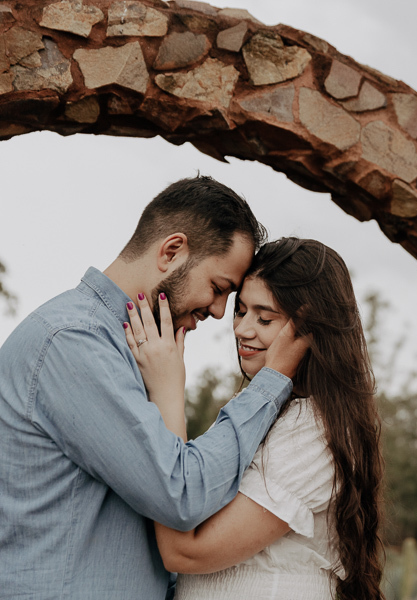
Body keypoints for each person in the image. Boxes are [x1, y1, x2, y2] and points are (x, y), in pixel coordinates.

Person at [0, 176, 308, 599]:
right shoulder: (73, 343)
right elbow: (181, 493)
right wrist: (272, 382)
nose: (221, 312)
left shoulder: (130, 348)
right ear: (172, 251)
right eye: (218, 288)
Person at [124, 237, 385, 600]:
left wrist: (167, 392)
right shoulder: (263, 412)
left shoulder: (314, 432)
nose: (242, 330)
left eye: (264, 318)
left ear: (308, 329)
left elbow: (184, 551)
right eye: (241, 311)